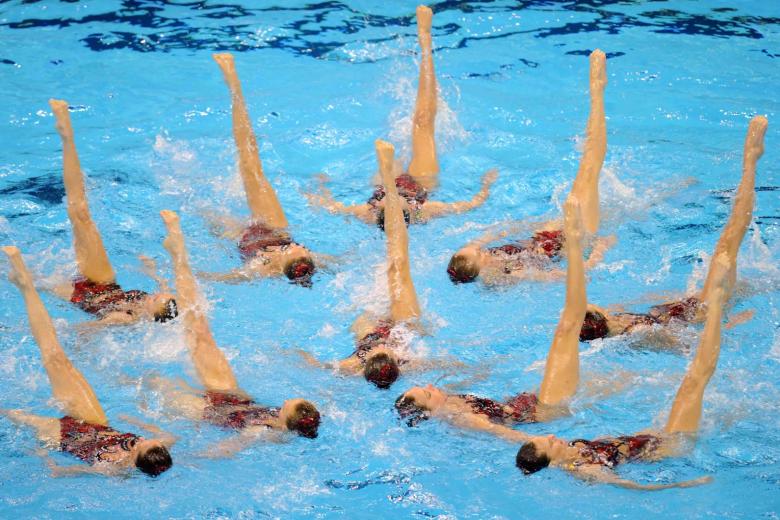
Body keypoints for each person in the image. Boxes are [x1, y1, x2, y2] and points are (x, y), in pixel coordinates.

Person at [513, 253, 732, 490]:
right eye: (549, 444)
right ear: (552, 461)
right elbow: (632, 487)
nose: (551, 436)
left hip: (651, 437)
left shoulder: (571, 450)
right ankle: (717, 308)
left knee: (697, 384)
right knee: (694, 381)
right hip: (671, 444)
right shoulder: (586, 470)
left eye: (544, 437)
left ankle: (722, 318)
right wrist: (683, 485)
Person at [395, 196, 589, 433]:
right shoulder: (462, 418)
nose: (429, 386)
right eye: (427, 393)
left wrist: (478, 371)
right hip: (540, 411)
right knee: (571, 334)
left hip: (523, 403)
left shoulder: (449, 405)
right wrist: (540, 446)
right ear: (430, 412)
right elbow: (504, 434)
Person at [305, 5, 498, 229]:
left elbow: (331, 207)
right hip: (422, 182)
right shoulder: (424, 211)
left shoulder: (368, 213)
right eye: (399, 203)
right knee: (423, 122)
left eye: (387, 202)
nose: (394, 199)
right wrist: (486, 184)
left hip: (385, 180)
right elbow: (471, 205)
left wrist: (318, 185)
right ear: (410, 210)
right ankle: (426, 44)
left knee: (388, 162)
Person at [580, 115, 768, 341]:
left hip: (692, 302)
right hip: (708, 307)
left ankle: (750, 164)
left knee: (733, 247)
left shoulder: (617, 320)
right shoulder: (637, 333)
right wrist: (731, 325)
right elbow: (688, 345)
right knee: (730, 236)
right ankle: (750, 163)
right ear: (598, 315)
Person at [151, 210, 320, 456]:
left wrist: (194, 458)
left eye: (286, 406)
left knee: (162, 377)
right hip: (233, 396)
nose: (283, 402)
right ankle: (178, 257)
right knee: (199, 329)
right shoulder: (285, 424)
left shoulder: (261, 432)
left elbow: (228, 449)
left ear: (287, 421)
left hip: (206, 411)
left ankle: (179, 256)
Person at [0, 246, 174, 477]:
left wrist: (45, 459)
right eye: (145, 439)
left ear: (135, 463)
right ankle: (25, 284)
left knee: (13, 414)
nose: (140, 439)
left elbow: (66, 471)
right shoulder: (155, 447)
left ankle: (25, 287)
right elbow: (170, 437)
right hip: (94, 422)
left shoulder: (112, 469)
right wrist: (136, 421)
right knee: (58, 359)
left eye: (139, 445)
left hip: (63, 437)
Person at [447, 49, 612, 284]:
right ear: (480, 270)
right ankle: (597, 93)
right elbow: (572, 275)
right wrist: (601, 249)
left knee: (588, 169)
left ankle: (597, 96)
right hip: (579, 238)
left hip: (551, 231)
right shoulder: (511, 274)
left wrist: (533, 226)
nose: (482, 249)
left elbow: (489, 237)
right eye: (480, 253)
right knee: (590, 166)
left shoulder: (480, 260)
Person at [301, 140, 436, 389]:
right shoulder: (407, 363)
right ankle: (388, 175)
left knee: (365, 315)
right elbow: (446, 366)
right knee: (398, 265)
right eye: (387, 351)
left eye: (376, 351)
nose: (382, 346)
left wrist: (301, 358)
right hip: (403, 322)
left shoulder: (354, 364)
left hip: (371, 321)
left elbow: (321, 368)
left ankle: (388, 173)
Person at [47, 99, 178, 324]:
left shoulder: (126, 318)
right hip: (102, 281)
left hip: (76, 296)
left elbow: (91, 328)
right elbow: (165, 288)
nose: (155, 295)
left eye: (156, 299)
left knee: (25, 276)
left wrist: (79, 336)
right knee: (80, 214)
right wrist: (153, 271)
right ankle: (66, 135)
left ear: (152, 315)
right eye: (159, 295)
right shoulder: (152, 304)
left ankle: (67, 137)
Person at [202, 53, 316, 285]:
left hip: (240, 236)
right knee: (251, 167)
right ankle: (234, 85)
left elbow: (221, 278)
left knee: (205, 212)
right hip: (273, 227)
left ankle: (235, 90)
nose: (300, 245)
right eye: (302, 246)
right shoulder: (304, 259)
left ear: (284, 260)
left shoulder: (260, 268)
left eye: (294, 248)